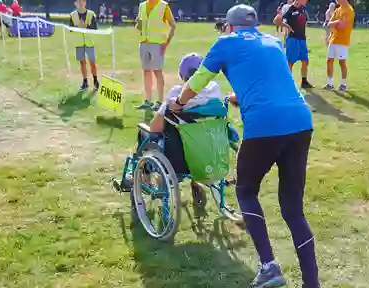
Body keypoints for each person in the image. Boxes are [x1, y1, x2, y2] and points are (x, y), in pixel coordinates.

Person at [171, 4, 319, 288]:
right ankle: (312, 283)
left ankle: (269, 266)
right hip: (300, 121)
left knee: (246, 190)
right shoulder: (273, 41)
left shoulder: (225, 43)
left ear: (229, 26)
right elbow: (275, 81)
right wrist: (241, 96)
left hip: (265, 125)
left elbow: (198, 81)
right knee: (293, 210)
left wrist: (179, 103)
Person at [118, 53, 228, 206]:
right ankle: (196, 183)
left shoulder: (177, 94)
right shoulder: (214, 91)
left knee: (145, 133)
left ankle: (144, 177)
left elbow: (155, 128)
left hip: (179, 160)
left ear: (182, 75)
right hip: (208, 154)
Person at [135, 0, 177, 110]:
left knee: (157, 72)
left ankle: (159, 102)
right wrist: (138, 24)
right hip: (143, 43)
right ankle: (148, 101)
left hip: (157, 44)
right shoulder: (142, 5)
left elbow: (173, 25)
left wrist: (166, 42)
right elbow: (139, 24)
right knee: (146, 71)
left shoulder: (163, 6)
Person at [274, 0, 314, 89]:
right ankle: (287, 82)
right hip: (292, 39)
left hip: (302, 39)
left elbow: (304, 22)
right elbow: (276, 20)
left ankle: (304, 82)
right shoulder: (289, 9)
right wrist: (287, 26)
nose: (306, 1)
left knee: (305, 61)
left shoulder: (303, 8)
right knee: (290, 62)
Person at [325, 0, 355, 92]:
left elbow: (342, 26)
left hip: (343, 41)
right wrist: (337, 22)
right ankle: (329, 84)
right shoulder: (337, 10)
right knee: (329, 61)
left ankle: (343, 84)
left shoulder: (349, 10)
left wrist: (335, 23)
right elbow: (328, 24)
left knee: (342, 62)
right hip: (333, 39)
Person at [69, 0, 99, 91]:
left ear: (85, 2)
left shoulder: (91, 14)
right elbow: (70, 29)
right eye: (78, 1)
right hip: (79, 43)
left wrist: (86, 26)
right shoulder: (72, 15)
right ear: (75, 3)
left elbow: (95, 28)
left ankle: (95, 81)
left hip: (89, 42)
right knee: (82, 63)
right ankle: (85, 82)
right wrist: (78, 27)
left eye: (82, 1)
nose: (81, 3)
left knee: (92, 62)